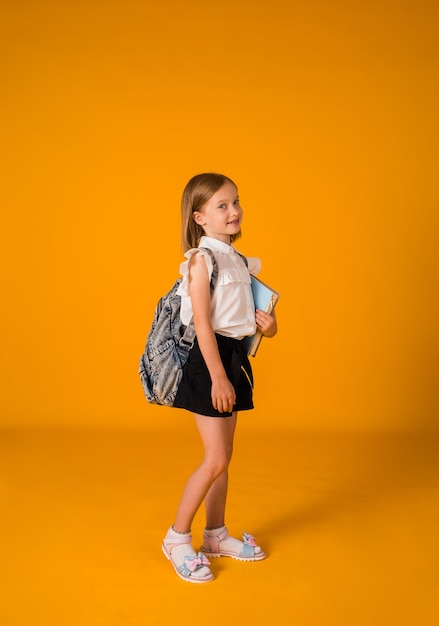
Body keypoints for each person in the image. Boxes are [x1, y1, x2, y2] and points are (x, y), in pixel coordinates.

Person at [162, 173, 278, 583]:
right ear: (200, 217)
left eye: (236, 202)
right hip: (208, 363)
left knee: (224, 458)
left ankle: (215, 535)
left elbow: (240, 322)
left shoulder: (240, 261)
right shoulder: (201, 260)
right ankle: (177, 538)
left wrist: (268, 327)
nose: (234, 211)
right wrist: (217, 378)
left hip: (232, 360)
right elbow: (205, 327)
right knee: (214, 458)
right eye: (222, 206)